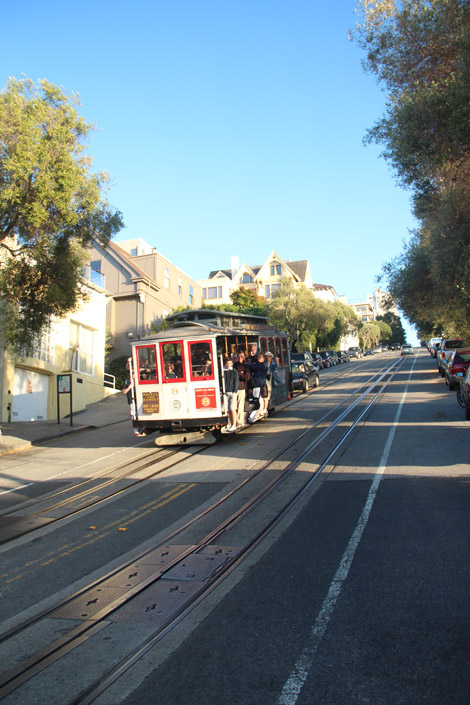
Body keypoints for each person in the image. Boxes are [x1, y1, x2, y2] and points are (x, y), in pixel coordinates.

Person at [233, 350, 251, 426]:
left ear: (244, 358)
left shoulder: (246, 366)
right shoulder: (234, 366)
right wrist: (241, 375)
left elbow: (247, 377)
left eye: (242, 356)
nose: (240, 358)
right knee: (234, 405)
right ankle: (235, 420)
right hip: (234, 388)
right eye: (239, 356)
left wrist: (239, 374)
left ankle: (240, 420)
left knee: (240, 404)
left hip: (242, 387)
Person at [248, 352, 269, 419]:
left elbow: (255, 367)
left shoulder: (264, 365)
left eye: (260, 357)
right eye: (258, 357)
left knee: (257, 400)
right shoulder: (256, 364)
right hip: (256, 384)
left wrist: (247, 364)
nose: (259, 358)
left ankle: (253, 415)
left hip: (260, 384)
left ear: (263, 358)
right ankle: (255, 414)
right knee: (256, 399)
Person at [223, 357, 239, 432]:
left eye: (229, 363)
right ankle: (229, 424)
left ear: (232, 363)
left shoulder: (234, 371)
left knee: (232, 408)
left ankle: (234, 425)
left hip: (232, 392)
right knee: (227, 409)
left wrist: (234, 391)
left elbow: (236, 381)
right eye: (227, 363)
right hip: (225, 392)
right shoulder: (223, 371)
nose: (228, 365)